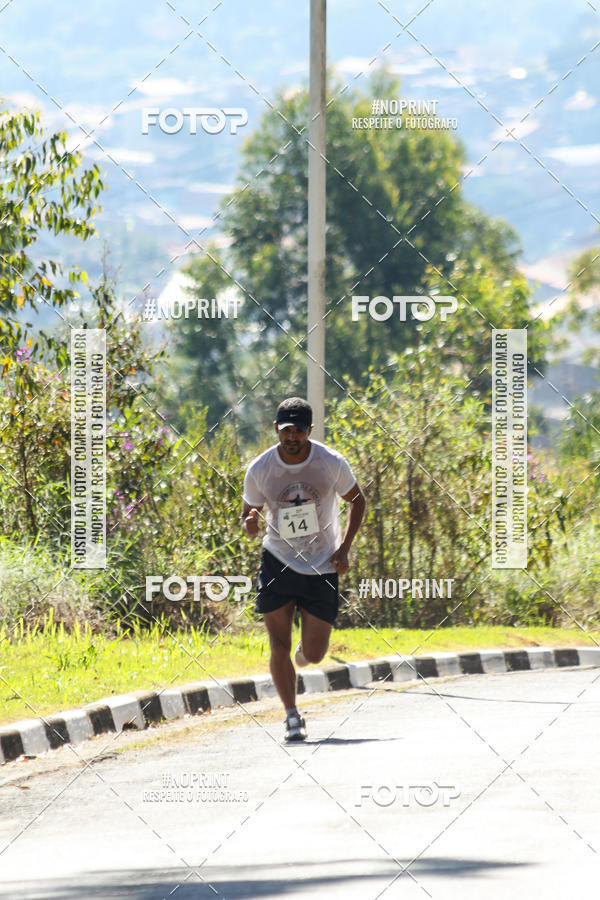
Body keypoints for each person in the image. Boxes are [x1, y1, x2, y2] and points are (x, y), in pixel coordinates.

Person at [241, 397, 365, 742]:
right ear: (276, 429)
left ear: (310, 430)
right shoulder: (260, 468)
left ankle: (304, 654)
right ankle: (292, 716)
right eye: (285, 430)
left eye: (298, 430)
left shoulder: (329, 462)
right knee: (277, 644)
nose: (291, 436)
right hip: (278, 560)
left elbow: (358, 500)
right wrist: (251, 522)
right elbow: (249, 521)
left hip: (322, 563)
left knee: (313, 653)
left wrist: (345, 548)